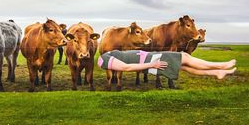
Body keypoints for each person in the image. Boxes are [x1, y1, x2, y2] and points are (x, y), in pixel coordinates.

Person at [98, 50, 236, 80]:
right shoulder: (103, 59)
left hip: (151, 59)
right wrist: (152, 64)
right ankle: (222, 65)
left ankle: (217, 72)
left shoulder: (106, 54)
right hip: (152, 61)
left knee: (184, 67)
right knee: (185, 58)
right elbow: (126, 68)